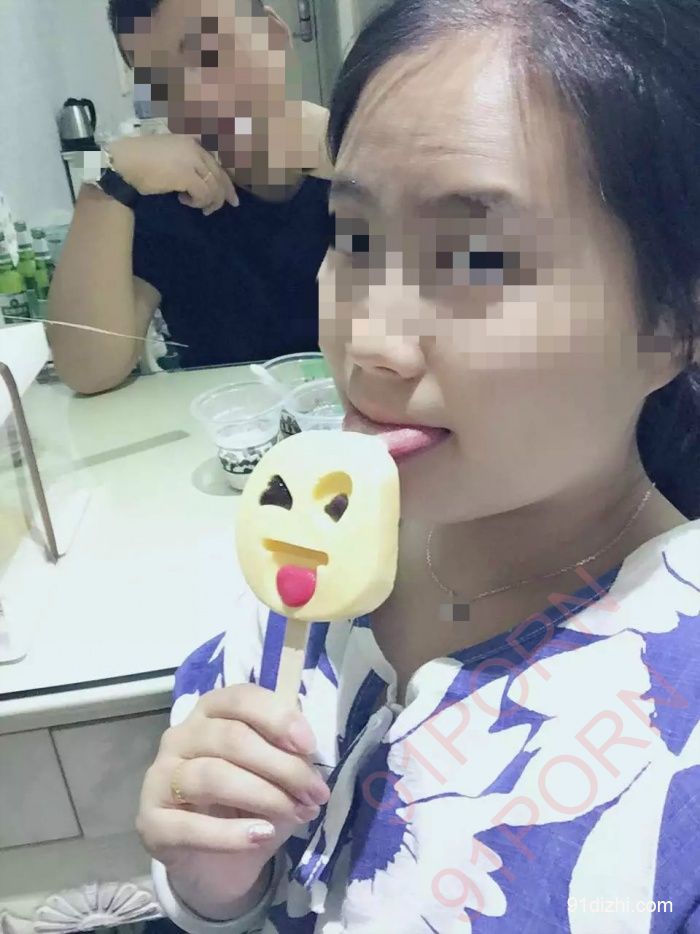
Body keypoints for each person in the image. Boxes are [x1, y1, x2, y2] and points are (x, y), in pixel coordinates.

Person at [136, 0, 700, 929]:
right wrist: (209, 885)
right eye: (354, 238)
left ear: (674, 320)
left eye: (478, 257)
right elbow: (241, 880)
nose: (367, 340)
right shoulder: (312, 549)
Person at [48, 0, 333, 395]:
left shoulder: (368, 162)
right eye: (159, 80)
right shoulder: (166, 200)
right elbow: (87, 369)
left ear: (272, 36)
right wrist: (106, 173)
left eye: (208, 53)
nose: (192, 99)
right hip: (230, 425)